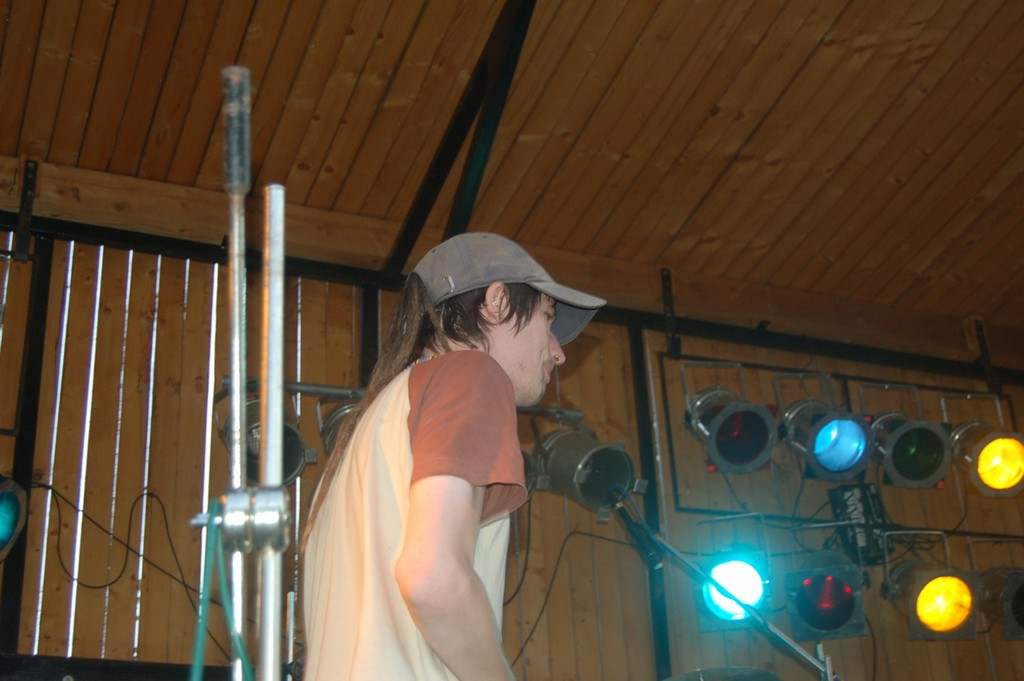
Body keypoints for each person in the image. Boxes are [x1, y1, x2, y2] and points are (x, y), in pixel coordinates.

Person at [300, 232, 604, 681]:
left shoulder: (368, 431)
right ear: (497, 302)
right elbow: (432, 578)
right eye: (548, 318)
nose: (559, 353)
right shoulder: (473, 373)